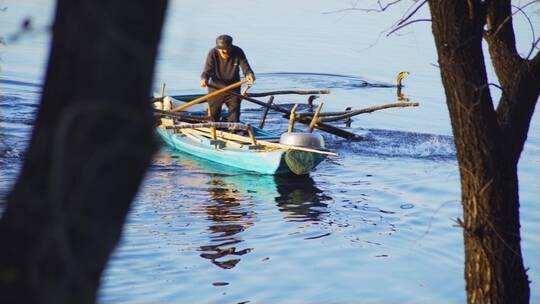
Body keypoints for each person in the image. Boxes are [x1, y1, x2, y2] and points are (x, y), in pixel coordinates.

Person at [200, 34, 255, 122]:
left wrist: (249, 74)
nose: (223, 53)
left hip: (233, 89)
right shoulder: (212, 53)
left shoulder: (238, 51)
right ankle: (213, 131)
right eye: (220, 50)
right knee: (213, 117)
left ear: (230, 47)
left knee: (234, 116)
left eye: (225, 50)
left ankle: (233, 131)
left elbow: (245, 67)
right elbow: (207, 70)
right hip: (216, 88)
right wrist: (204, 79)